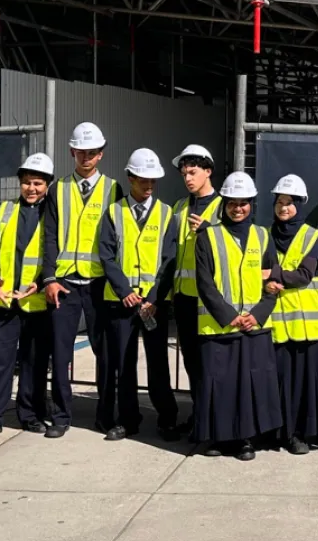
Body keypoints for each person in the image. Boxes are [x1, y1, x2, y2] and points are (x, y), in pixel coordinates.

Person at [41, 121, 122, 438]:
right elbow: (49, 237)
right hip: (65, 284)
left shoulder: (113, 190)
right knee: (60, 355)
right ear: (72, 151)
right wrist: (49, 278)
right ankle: (61, 416)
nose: (86, 157)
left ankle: (104, 415)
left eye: (92, 152)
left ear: (101, 154)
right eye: (81, 151)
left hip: (100, 284)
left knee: (105, 355)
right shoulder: (57, 190)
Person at [194, 171, 282, 460]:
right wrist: (230, 315)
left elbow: (273, 282)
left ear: (252, 204)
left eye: (244, 203)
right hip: (220, 326)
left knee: (249, 385)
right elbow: (204, 282)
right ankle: (218, 438)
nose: (239, 208)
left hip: (254, 326)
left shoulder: (262, 235)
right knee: (220, 385)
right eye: (233, 203)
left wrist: (257, 314)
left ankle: (246, 439)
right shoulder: (208, 236)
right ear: (224, 204)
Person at [0, 153, 54, 441]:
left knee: (34, 363)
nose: (32, 188)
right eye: (27, 183)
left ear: (48, 185)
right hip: (3, 300)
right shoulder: (4, 211)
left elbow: (57, 256)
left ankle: (30, 415)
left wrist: (41, 282)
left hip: (36, 302)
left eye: (38, 183)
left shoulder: (52, 216)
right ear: (20, 183)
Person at [98, 148, 179, 442]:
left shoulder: (167, 214)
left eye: (152, 181)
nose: (147, 186)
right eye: (142, 180)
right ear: (129, 178)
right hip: (121, 303)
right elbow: (106, 256)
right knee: (124, 364)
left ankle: (167, 418)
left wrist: (155, 298)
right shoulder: (113, 212)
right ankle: (127, 420)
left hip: (153, 305)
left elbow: (171, 260)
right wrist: (125, 292)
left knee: (158, 364)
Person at [268, 174, 318, 454]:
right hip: (277, 324)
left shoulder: (313, 237)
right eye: (280, 202)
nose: (284, 208)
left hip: (306, 326)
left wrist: (272, 274)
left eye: (290, 203)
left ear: (300, 205)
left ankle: (298, 436)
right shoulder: (265, 235)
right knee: (279, 383)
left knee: (302, 386)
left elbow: (304, 276)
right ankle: (278, 433)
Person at [171, 144, 221, 431]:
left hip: (212, 301)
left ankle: (213, 419)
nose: (188, 178)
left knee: (211, 364)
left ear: (208, 171)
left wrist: (209, 231)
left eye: (193, 172)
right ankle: (198, 417)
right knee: (191, 363)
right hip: (185, 299)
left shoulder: (224, 206)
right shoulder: (179, 207)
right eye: (184, 173)